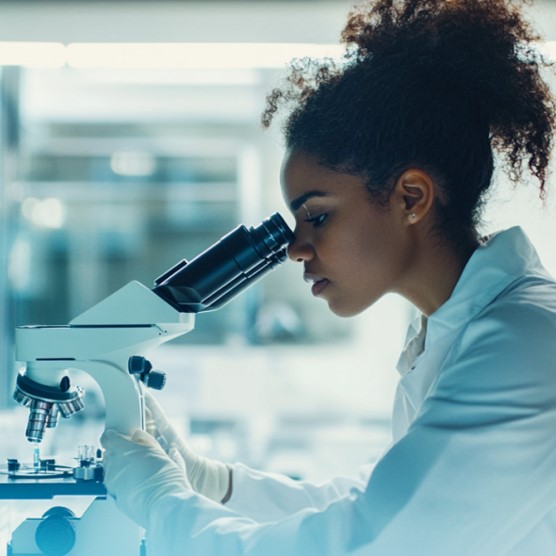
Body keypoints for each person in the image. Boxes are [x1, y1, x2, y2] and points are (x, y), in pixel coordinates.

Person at [100, 0, 556, 554]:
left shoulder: (521, 342)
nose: (294, 249)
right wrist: (210, 483)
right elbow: (376, 497)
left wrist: (160, 500)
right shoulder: (457, 333)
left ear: (410, 197)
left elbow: (359, 543)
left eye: (316, 215)